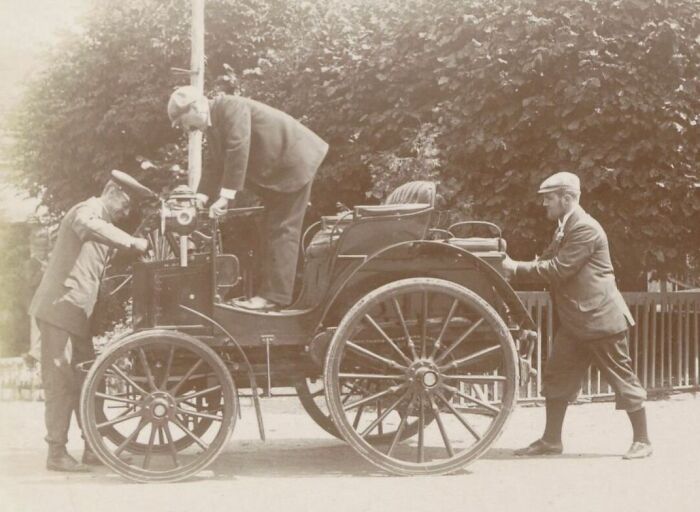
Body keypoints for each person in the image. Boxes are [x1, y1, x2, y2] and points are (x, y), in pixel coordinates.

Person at [502, 171, 652, 460]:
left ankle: (643, 441)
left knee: (622, 379)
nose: (544, 203)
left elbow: (558, 270)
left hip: (600, 319)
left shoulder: (585, 228)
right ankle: (551, 441)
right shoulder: (565, 227)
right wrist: (512, 268)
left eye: (549, 198)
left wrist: (515, 267)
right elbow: (545, 261)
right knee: (557, 378)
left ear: (567, 198)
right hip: (575, 322)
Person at [28, 170, 151, 472]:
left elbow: (96, 273)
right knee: (60, 382)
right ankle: (56, 453)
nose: (126, 212)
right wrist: (133, 243)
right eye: (125, 204)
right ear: (112, 191)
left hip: (77, 314)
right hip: (59, 310)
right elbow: (89, 226)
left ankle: (93, 448)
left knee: (89, 381)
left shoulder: (105, 223)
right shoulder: (86, 211)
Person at [167, 86, 329, 311]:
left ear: (195, 107)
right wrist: (200, 199)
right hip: (278, 172)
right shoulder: (213, 124)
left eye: (184, 121)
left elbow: (238, 147)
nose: (186, 129)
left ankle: (273, 299)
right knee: (269, 230)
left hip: (292, 163)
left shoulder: (231, 107)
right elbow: (215, 164)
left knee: (283, 230)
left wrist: (225, 197)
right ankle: (270, 296)